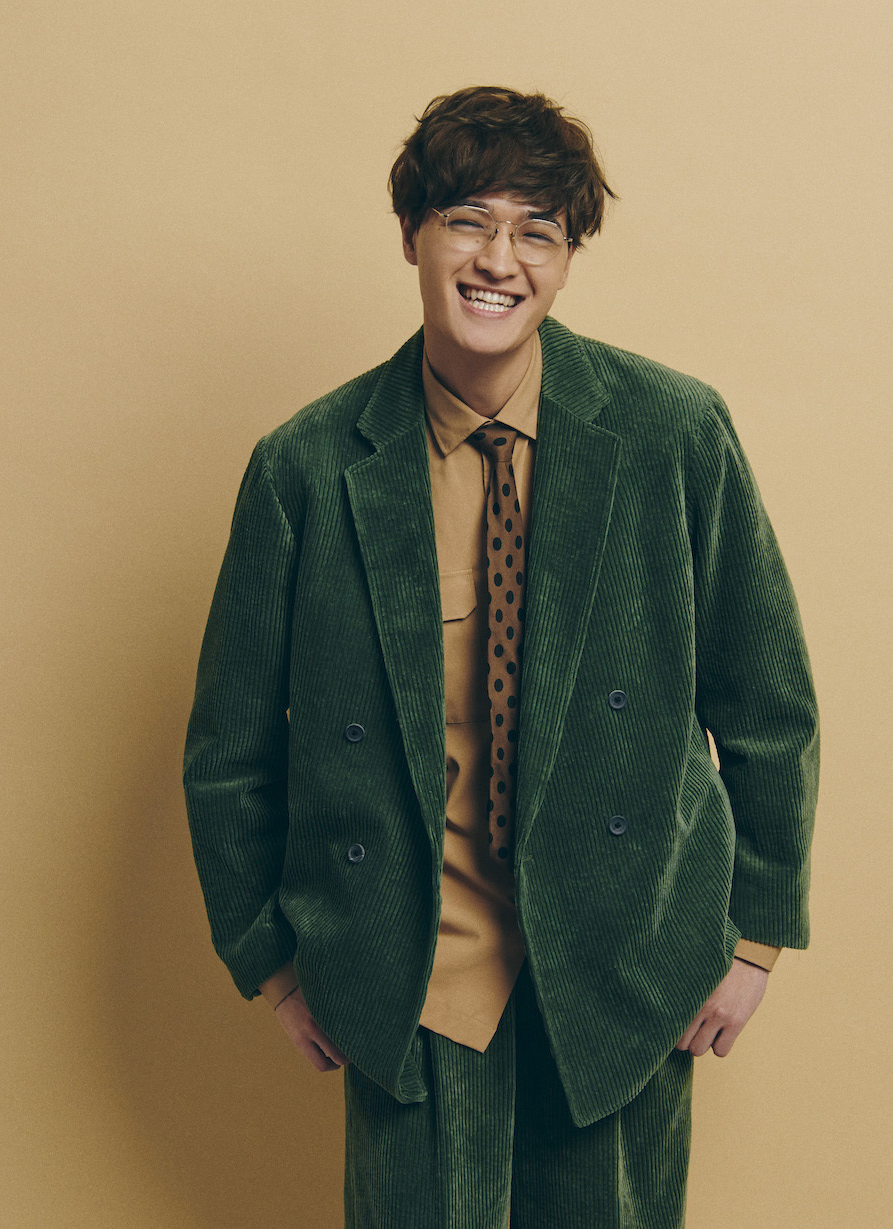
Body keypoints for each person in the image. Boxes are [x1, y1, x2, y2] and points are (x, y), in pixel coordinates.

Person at [183, 85, 818, 1228]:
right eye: (468, 219)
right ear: (412, 234)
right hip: (406, 979)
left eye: (538, 231)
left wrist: (756, 936)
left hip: (626, 967)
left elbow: (769, 702)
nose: (499, 259)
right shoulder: (307, 466)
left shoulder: (673, 433)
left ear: (568, 259)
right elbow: (229, 750)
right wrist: (273, 961)